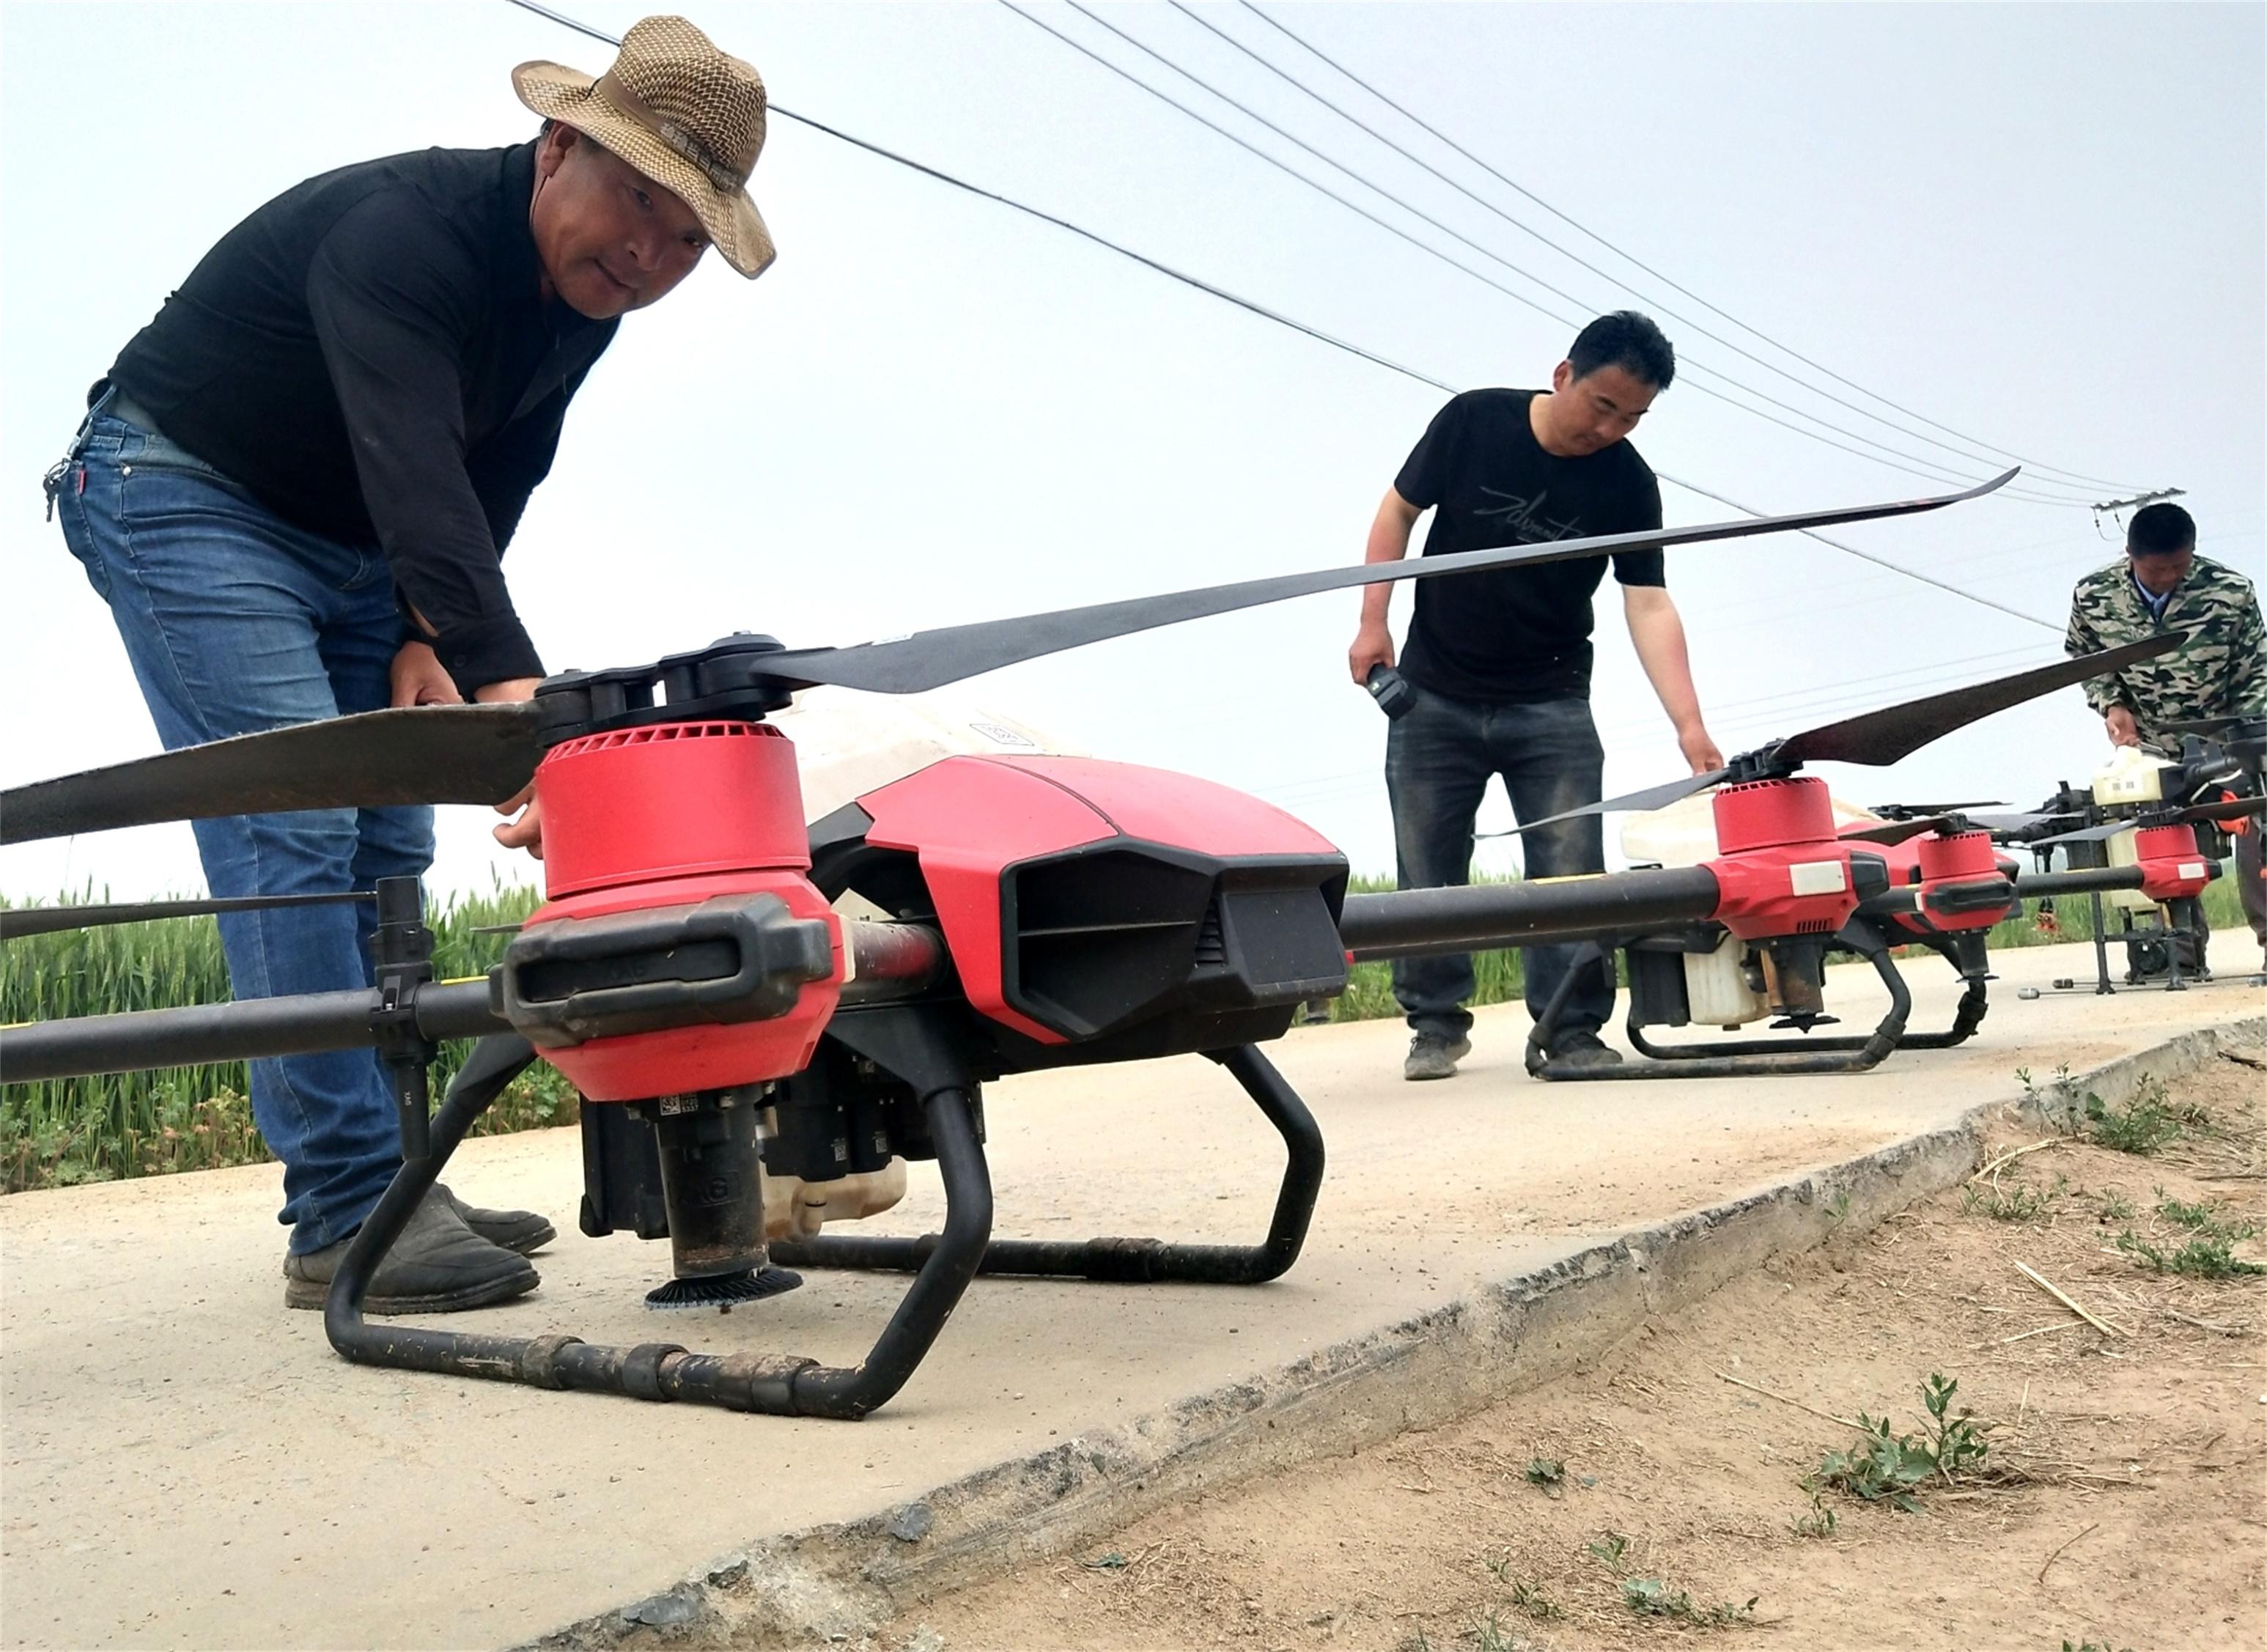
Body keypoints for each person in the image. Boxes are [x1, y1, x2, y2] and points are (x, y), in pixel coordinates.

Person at [43, 15, 777, 1312]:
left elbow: (500, 465)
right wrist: (523, 716)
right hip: (181, 492)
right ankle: (346, 1207)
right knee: (297, 819)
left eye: (685, 242)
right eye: (642, 207)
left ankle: (404, 1166)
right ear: (559, 149)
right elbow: (416, 471)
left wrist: (428, 634)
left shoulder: (581, 296)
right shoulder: (407, 235)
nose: (650, 257)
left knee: (392, 831)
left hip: (354, 548)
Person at [1347, 312, 1722, 1081]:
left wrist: (1691, 727)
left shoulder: (1628, 483)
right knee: (1427, 868)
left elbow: (1648, 601)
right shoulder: (1473, 420)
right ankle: (1435, 1024)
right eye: (1603, 405)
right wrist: (1370, 620)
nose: (1611, 428)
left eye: (1633, 417)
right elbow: (1398, 511)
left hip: (1550, 702)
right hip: (1434, 694)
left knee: (1569, 869)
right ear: (1563, 376)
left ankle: (1572, 1028)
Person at [2065, 501, 2267, 967]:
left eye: (2179, 567)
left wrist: (2245, 743)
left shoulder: (2230, 592)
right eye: (2156, 571)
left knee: (2256, 827)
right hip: (2148, 745)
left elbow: (2255, 671)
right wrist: (2112, 705)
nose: (2167, 578)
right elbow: (2083, 655)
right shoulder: (2095, 594)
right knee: (2161, 839)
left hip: (2228, 735)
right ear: (2130, 556)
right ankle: (2175, 953)